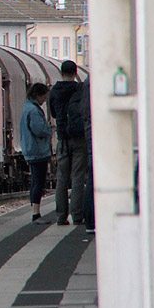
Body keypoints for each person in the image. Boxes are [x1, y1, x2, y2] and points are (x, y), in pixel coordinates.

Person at [49, 60, 88, 226]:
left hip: (62, 139)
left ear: (61, 72)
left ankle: (60, 216)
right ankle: (77, 216)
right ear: (75, 73)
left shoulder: (54, 91)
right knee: (78, 176)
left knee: (62, 178)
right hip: (79, 138)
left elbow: (53, 113)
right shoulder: (80, 89)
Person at [21, 83, 52, 222]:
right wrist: (49, 130)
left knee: (35, 181)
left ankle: (35, 212)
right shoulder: (33, 110)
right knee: (38, 182)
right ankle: (36, 214)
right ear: (38, 95)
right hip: (37, 150)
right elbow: (39, 130)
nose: (44, 100)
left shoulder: (27, 107)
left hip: (31, 148)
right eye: (44, 97)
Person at [72, 76, 95, 233]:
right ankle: (91, 220)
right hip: (95, 136)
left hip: (89, 135)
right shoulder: (93, 82)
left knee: (90, 177)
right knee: (93, 178)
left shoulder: (86, 86)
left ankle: (89, 220)